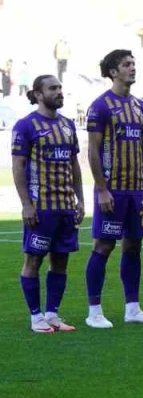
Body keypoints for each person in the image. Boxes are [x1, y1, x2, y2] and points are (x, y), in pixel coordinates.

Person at [85, 49, 143, 327]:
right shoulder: (101, 106)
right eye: (127, 65)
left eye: (133, 64)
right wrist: (102, 189)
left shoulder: (140, 107)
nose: (132, 68)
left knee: (133, 247)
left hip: (134, 191)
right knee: (103, 246)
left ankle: (133, 309)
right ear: (113, 72)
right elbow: (93, 151)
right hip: (112, 190)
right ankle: (94, 311)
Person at [12, 75, 83, 333]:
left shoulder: (67, 125)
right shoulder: (26, 125)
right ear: (39, 94)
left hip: (65, 207)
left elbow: (74, 164)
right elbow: (18, 167)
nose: (59, 92)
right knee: (34, 260)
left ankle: (52, 314)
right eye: (53, 88)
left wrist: (81, 199)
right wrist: (26, 204)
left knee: (61, 261)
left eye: (60, 87)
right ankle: (35, 317)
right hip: (41, 208)